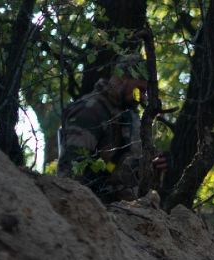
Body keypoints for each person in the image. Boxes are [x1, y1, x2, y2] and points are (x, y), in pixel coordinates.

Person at [57, 54, 167, 203]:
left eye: (144, 92)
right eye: (138, 90)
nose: (141, 98)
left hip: (125, 214)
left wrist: (153, 167)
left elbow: (130, 176)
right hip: (93, 210)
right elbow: (71, 176)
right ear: (121, 79)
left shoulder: (129, 117)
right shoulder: (91, 111)